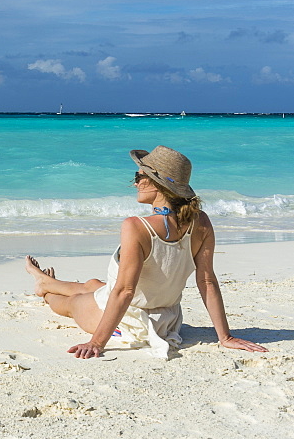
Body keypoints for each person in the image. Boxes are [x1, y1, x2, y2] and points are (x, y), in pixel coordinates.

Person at [24, 145, 268, 359]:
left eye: (140, 176)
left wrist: (96, 342)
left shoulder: (136, 227)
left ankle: (44, 290)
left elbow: (125, 291)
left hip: (131, 324)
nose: (136, 182)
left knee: (72, 303)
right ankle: (47, 280)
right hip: (168, 321)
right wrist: (224, 337)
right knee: (93, 284)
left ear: (158, 183)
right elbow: (207, 281)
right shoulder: (201, 222)